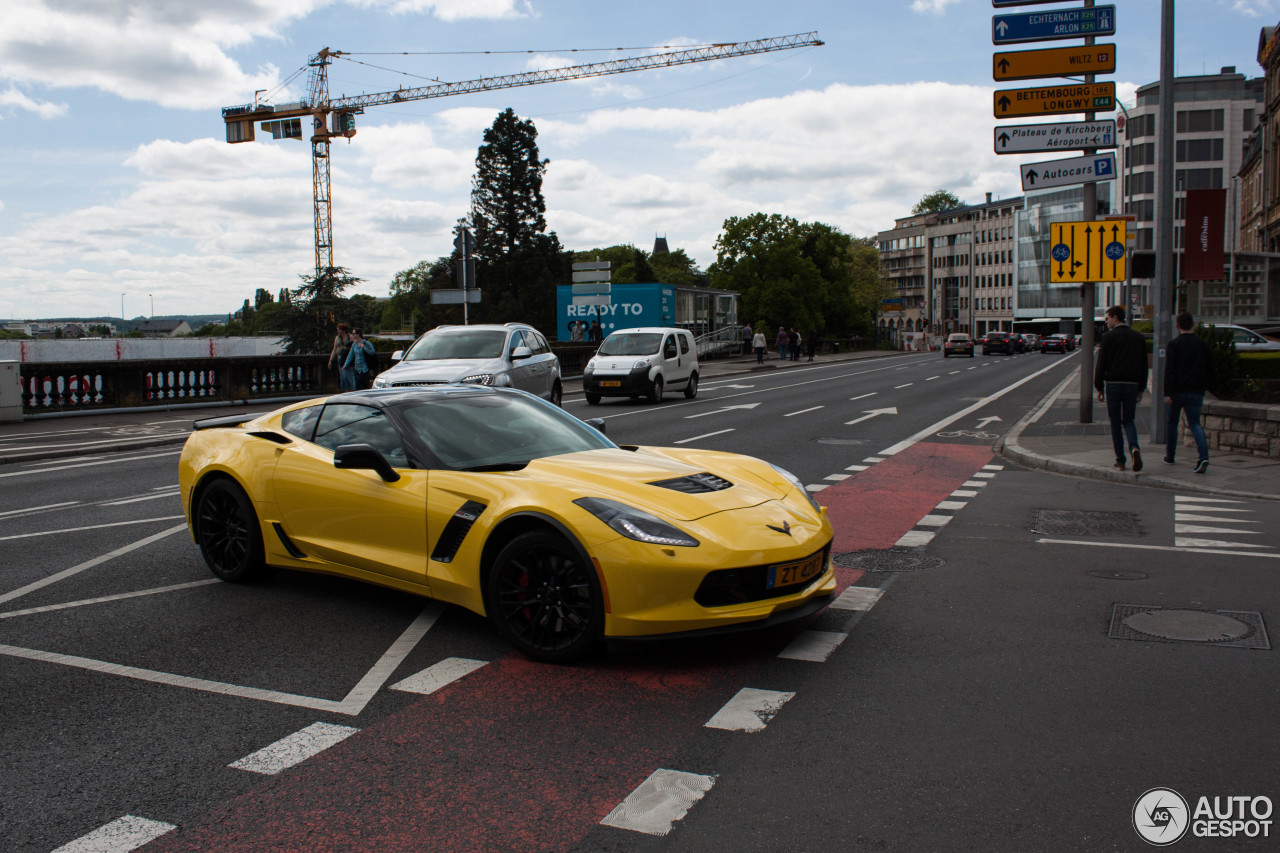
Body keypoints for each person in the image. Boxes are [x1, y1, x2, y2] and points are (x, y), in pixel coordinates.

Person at [1094, 306, 1148, 471]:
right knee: (1129, 420)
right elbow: (1143, 365)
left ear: (1116, 318)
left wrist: (1099, 387)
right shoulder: (1138, 338)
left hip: (1114, 384)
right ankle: (1134, 447)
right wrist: (1141, 388)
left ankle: (1120, 460)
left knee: (1115, 423)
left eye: (1108, 318)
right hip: (1132, 385)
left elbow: (1101, 364)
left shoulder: (1108, 337)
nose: (1106, 321)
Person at [1163, 311, 1213, 474]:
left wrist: (1167, 392)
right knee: (1195, 424)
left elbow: (1170, 370)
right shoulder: (1203, 345)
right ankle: (1203, 456)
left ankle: (1170, 456)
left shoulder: (1174, 344)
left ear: (1177, 326)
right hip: (1196, 391)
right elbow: (1209, 368)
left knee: (1172, 422)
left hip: (1177, 391)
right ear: (1193, 324)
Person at [329, 322, 355, 392]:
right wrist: (331, 360)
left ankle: (351, 389)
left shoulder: (349, 336)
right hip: (340, 359)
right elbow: (334, 349)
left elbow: (354, 346)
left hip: (348, 359)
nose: (338, 331)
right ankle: (345, 390)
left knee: (348, 375)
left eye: (339, 330)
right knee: (343, 376)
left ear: (343, 330)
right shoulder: (337, 338)